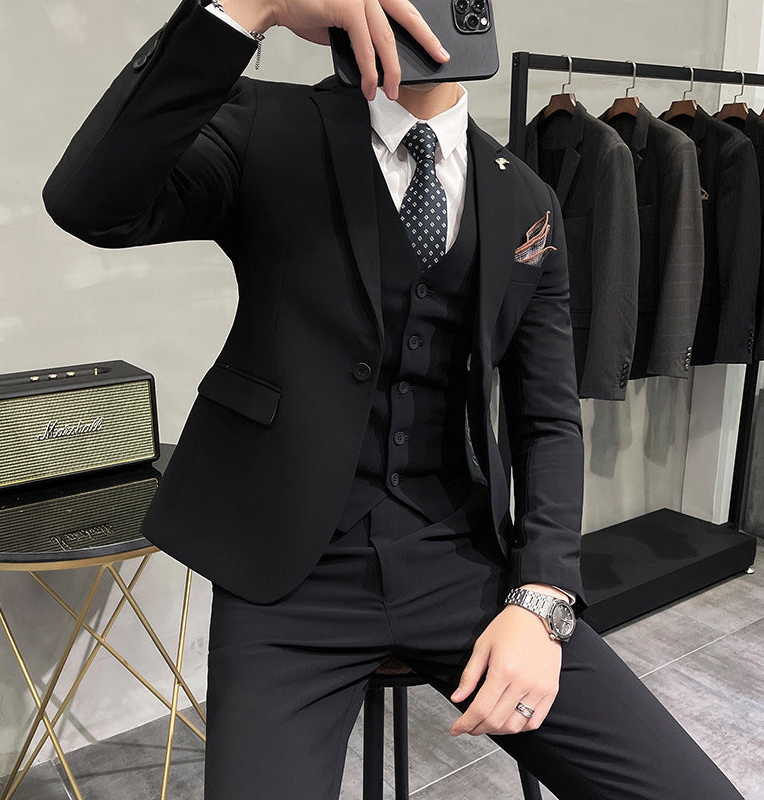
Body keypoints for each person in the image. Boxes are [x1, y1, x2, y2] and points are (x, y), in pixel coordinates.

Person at [42, 1, 748, 797]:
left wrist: (543, 598)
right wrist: (249, 7)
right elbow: (89, 203)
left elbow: (547, 419)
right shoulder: (268, 126)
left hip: (460, 564)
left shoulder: (527, 201)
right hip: (286, 578)